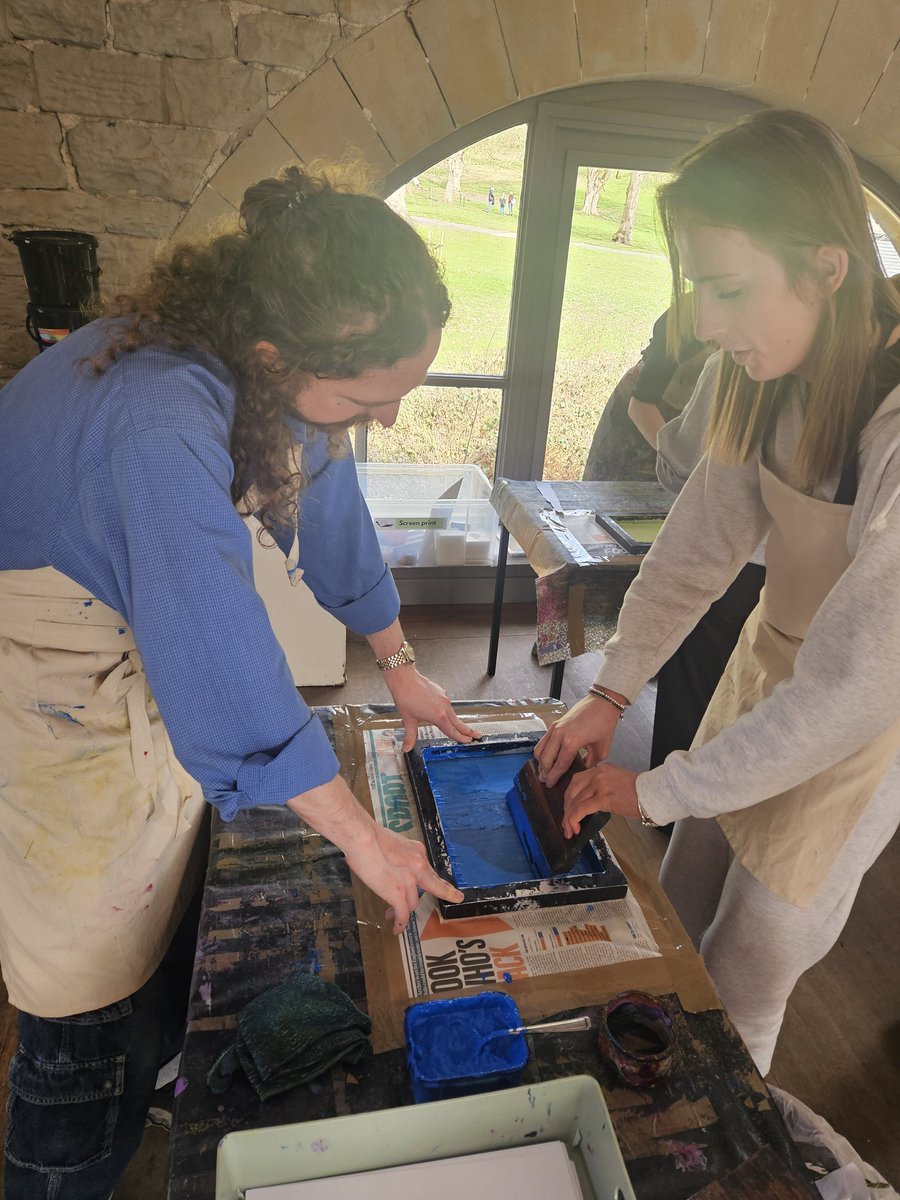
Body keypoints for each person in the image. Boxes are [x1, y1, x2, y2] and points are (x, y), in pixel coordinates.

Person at [0, 164, 476, 1197]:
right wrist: (363, 836)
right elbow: (213, 648)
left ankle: (158, 1074)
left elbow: (332, 497)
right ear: (275, 356)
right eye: (369, 397)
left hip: (121, 645)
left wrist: (398, 664)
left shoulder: (269, 375)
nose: (386, 420)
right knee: (82, 979)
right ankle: (65, 1163)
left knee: (171, 907)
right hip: (50, 671)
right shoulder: (155, 413)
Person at [535, 109, 900, 1077]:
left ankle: (717, 1149)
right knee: (683, 902)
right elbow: (698, 551)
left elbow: (856, 682)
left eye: (727, 287)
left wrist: (656, 786)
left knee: (749, 959)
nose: (703, 321)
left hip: (862, 721)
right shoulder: (760, 378)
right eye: (698, 285)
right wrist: (610, 696)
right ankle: (650, 1097)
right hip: (770, 666)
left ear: (828, 267)